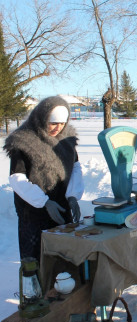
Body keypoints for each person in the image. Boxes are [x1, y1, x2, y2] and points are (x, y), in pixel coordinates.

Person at [3, 96, 84, 262]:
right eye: (53, 123)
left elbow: (75, 168)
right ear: (42, 117)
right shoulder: (23, 141)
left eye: (62, 123)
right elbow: (17, 178)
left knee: (63, 258)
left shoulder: (67, 140)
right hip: (34, 213)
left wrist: (73, 196)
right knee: (37, 259)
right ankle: (38, 288)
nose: (58, 128)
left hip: (62, 208)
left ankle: (63, 288)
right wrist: (44, 202)